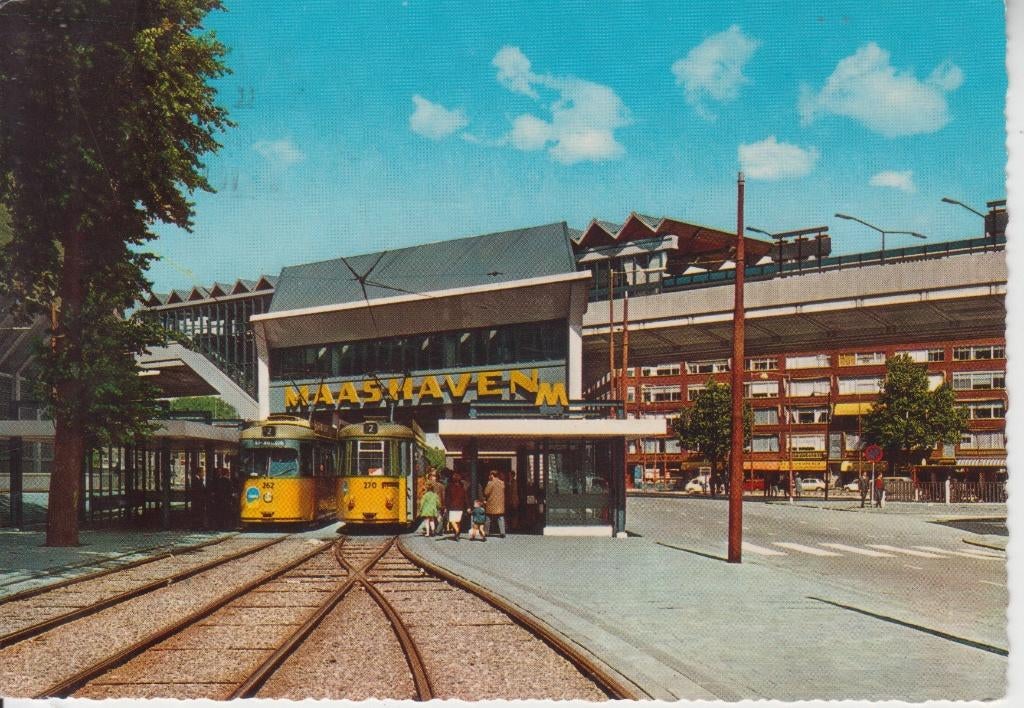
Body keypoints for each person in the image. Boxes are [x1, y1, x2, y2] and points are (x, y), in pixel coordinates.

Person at [444, 471, 468, 541]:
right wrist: (468, 506)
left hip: (452, 506)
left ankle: (457, 532)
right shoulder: (462, 488)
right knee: (458, 521)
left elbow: (447, 498)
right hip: (460, 506)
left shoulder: (449, 487)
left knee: (452, 521)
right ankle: (457, 535)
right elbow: (465, 498)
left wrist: (445, 506)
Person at [483, 470, 506, 538]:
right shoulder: (502, 483)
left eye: (489, 475)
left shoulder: (490, 483)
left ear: (492, 475)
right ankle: (502, 532)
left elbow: (486, 492)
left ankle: (486, 532)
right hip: (500, 503)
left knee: (488, 517)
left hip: (491, 503)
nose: (489, 476)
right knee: (500, 517)